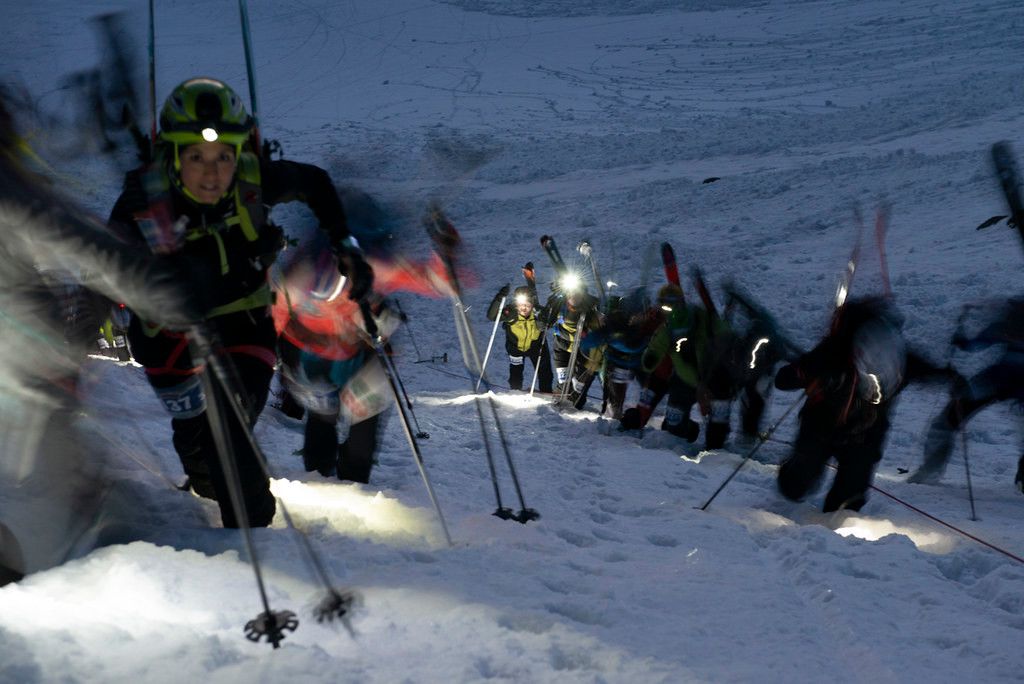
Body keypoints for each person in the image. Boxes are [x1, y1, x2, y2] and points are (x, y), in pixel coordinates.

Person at [107, 78, 372, 528]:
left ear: (239, 155)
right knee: (200, 449)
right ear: (171, 156)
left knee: (227, 422)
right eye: (195, 158)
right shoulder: (142, 200)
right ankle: (208, 480)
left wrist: (343, 241)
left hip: (242, 323)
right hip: (169, 339)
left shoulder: (255, 181)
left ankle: (253, 536)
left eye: (223, 158)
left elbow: (316, 183)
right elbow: (103, 264)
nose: (212, 173)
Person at [0, 89, 203, 583]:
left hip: (27, 372)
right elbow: (81, 241)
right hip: (24, 377)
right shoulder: (7, 185)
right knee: (62, 507)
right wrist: (162, 289)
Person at [272, 223, 456, 482]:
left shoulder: (372, 267)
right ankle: (318, 477)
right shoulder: (294, 283)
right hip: (313, 360)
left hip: (362, 356)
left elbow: (433, 280)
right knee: (323, 419)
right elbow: (273, 320)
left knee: (362, 428)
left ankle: (353, 483)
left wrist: (445, 254)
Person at [774, 296, 953, 512]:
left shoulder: (901, 359)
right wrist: (806, 375)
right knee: (795, 487)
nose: (876, 392)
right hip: (821, 426)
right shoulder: (833, 352)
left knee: (847, 504)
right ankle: (793, 472)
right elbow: (784, 379)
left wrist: (951, 376)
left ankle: (836, 528)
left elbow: (928, 371)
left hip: (865, 435)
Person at [909, 297, 1024, 490]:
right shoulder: (1005, 324)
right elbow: (975, 344)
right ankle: (929, 470)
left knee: (947, 420)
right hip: (997, 381)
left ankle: (930, 470)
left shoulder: (1006, 323)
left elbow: (974, 344)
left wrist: (961, 339)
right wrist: (961, 339)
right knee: (949, 418)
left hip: (997, 381)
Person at [630, 283, 738, 448]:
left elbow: (723, 331)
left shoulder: (702, 317)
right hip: (684, 380)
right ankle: (686, 434)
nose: (668, 309)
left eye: (672, 303)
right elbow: (657, 345)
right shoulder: (668, 327)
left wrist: (729, 343)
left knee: (718, 419)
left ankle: (717, 451)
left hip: (714, 378)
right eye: (664, 304)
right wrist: (650, 358)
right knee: (674, 423)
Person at [486, 269, 554, 393]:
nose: (524, 308)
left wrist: (544, 323)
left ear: (532, 305)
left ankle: (546, 392)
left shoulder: (539, 312)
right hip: (515, 347)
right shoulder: (511, 312)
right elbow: (491, 316)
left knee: (545, 371)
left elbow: (552, 320)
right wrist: (499, 298)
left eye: (527, 305)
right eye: (521, 305)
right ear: (516, 304)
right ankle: (515, 391)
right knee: (516, 372)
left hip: (536, 346)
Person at [543, 279, 600, 409]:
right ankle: (559, 398)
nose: (574, 295)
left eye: (577, 292)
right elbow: (547, 319)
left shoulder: (592, 305)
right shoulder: (558, 302)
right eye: (571, 292)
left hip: (581, 350)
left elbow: (599, 323)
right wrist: (544, 320)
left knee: (578, 388)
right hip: (562, 347)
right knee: (564, 381)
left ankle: (576, 401)